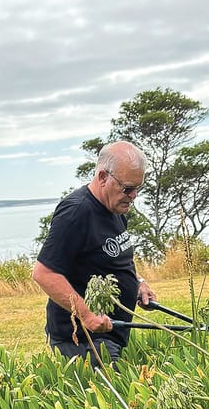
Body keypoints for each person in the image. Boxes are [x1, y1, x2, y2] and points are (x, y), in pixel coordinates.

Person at [32, 141, 158, 366]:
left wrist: (138, 283)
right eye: (127, 188)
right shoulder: (76, 212)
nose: (134, 195)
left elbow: (113, 258)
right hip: (82, 340)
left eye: (138, 188)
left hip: (110, 334)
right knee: (121, 389)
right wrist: (87, 316)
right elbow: (44, 273)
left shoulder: (115, 207)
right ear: (102, 177)